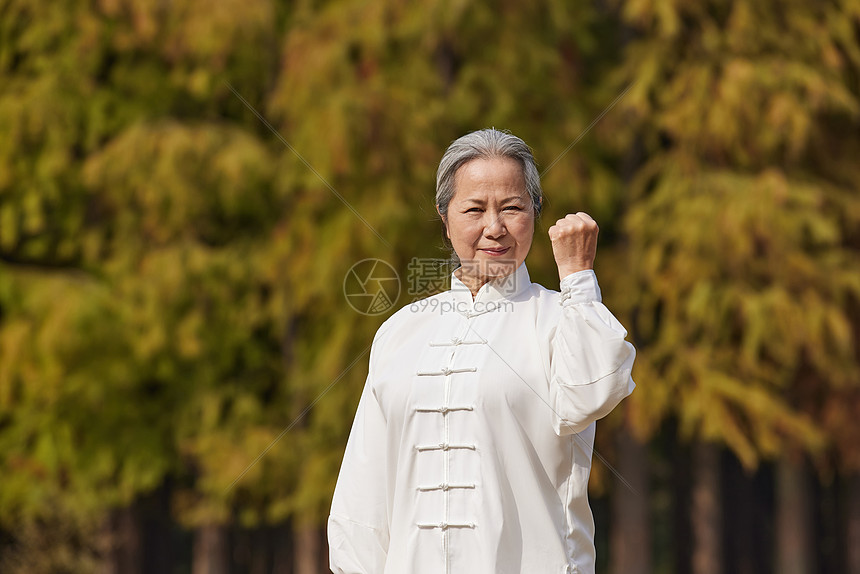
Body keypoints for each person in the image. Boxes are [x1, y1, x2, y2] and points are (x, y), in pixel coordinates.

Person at [328, 129, 636, 574]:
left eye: (512, 207)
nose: (495, 227)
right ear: (444, 217)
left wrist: (578, 277)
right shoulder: (399, 333)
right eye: (474, 209)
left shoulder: (561, 318)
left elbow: (591, 394)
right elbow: (363, 494)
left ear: (535, 213)